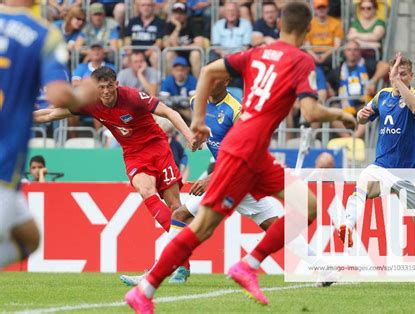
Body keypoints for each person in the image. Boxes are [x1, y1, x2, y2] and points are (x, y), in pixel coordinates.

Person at [124, 3, 356, 311]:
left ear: (281, 25)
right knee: (201, 223)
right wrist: (342, 114)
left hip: (250, 153)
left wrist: (197, 120)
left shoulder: (257, 53)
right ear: (308, 28)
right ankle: (150, 287)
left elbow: (207, 71)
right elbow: (311, 112)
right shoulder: (301, 60)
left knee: (301, 208)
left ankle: (244, 266)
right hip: (245, 153)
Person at [33, 67, 201, 236]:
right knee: (145, 190)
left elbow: (168, 112)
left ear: (117, 84)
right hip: (133, 153)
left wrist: (190, 136)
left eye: (110, 86)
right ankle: (182, 249)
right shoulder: (90, 103)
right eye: (101, 87)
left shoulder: (132, 96)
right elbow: (50, 114)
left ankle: (183, 247)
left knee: (174, 206)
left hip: (157, 146)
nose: (106, 91)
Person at [0, 0, 98, 269]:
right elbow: (57, 95)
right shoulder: (43, 35)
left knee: (29, 238)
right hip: (3, 167)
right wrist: (84, 94)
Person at [338, 53, 415, 286]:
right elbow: (361, 119)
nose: (400, 77)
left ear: (411, 76)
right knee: (362, 184)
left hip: (410, 173)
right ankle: (347, 225)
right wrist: (361, 115)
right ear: (390, 76)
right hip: (382, 167)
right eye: (396, 73)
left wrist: (396, 80)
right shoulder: (382, 96)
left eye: (404, 74)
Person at [163, 2, 205, 78]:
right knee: (168, 54)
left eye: (181, 13)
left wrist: (182, 47)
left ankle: (198, 85)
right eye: (175, 13)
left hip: (190, 55)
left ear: (186, 15)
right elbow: (167, 44)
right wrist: (177, 27)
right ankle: (170, 83)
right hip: (176, 56)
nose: (178, 16)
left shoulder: (193, 24)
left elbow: (200, 44)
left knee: (196, 54)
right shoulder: (169, 25)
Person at [305, 0, 343, 74]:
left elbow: (337, 45)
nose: (321, 10)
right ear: (315, 10)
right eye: (319, 8)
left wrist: (324, 56)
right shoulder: (309, 24)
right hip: (313, 52)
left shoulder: (336, 23)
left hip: (330, 53)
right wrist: (315, 56)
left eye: (324, 7)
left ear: (328, 8)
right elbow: (307, 45)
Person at [347, 0, 385, 72]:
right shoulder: (356, 23)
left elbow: (375, 37)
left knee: (369, 66)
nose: (365, 10)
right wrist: (372, 44)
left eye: (369, 8)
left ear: (374, 9)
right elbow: (350, 38)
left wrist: (356, 36)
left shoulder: (379, 22)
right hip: (354, 54)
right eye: (363, 8)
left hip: (371, 55)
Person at [124, 0, 165, 67]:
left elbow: (159, 43)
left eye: (148, 5)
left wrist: (144, 54)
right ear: (139, 7)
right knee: (126, 60)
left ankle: (156, 77)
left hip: (150, 53)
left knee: (155, 56)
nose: (146, 8)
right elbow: (127, 40)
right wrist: (132, 53)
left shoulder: (160, 22)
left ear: (153, 7)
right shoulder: (132, 22)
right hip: (135, 53)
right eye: (143, 5)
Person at [160, 56, 197, 123]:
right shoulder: (167, 81)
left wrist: (180, 107)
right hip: (171, 110)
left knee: (194, 113)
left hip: (186, 109)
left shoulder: (192, 80)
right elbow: (163, 100)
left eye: (182, 70)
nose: (179, 73)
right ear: (173, 71)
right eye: (177, 70)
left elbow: (194, 100)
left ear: (187, 70)